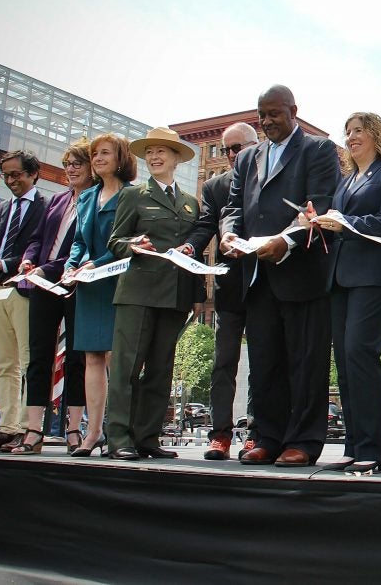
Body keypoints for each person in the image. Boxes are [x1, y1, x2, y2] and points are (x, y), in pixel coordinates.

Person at [220, 85, 340, 467]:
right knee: (265, 362)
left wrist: (285, 242)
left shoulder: (319, 150)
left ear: (293, 111)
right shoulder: (246, 158)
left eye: (274, 113)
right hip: (257, 277)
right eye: (262, 115)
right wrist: (228, 234)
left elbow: (319, 205)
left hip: (302, 274)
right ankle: (268, 437)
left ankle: (303, 441)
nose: (267, 121)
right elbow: (232, 206)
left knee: (306, 362)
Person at [302, 112, 381, 473]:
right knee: (345, 363)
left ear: (375, 133)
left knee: (360, 353)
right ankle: (353, 444)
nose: (350, 137)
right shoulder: (346, 182)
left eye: (358, 130)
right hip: (341, 278)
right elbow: (336, 231)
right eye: (347, 132)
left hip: (376, 275)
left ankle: (376, 449)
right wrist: (316, 222)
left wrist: (346, 222)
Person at [105, 127, 200, 461]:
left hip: (174, 295)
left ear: (176, 158)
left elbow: (196, 249)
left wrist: (197, 295)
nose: (155, 157)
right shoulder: (134, 195)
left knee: (160, 369)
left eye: (162, 152)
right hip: (138, 291)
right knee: (127, 369)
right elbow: (115, 240)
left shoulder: (190, 203)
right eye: (150, 153)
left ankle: (147, 436)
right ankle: (118, 436)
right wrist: (133, 245)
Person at [11, 140, 94, 455]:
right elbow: (36, 239)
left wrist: (48, 268)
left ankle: (74, 430)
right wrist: (28, 261)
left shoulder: (97, 201)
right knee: (38, 358)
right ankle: (33, 431)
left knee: (76, 359)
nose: (71, 169)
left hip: (76, 285)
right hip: (42, 286)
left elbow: (84, 246)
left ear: (91, 168)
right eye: (68, 164)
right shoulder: (55, 201)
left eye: (77, 163)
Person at [183, 122, 258, 461]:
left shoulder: (270, 178)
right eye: (226, 149)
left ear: (256, 146)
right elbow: (204, 224)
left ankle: (257, 433)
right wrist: (190, 248)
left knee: (263, 362)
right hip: (228, 287)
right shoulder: (214, 186)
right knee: (223, 362)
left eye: (237, 147)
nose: (230, 154)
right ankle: (220, 435)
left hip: (264, 284)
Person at [65, 133, 136, 457]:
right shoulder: (86, 196)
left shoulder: (133, 195)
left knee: (114, 358)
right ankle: (92, 433)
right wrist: (73, 265)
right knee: (91, 357)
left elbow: (130, 242)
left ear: (121, 157)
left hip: (118, 281)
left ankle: (117, 431)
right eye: (94, 154)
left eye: (105, 153)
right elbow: (80, 240)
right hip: (89, 285)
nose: (97, 159)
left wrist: (98, 263)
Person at [0, 151, 46, 452]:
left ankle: (30, 429)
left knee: (28, 360)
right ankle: (7, 427)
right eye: (8, 175)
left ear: (33, 175)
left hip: (25, 288)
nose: (13, 180)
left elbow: (39, 247)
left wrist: (3, 263)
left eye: (18, 174)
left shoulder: (46, 206)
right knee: (3, 362)